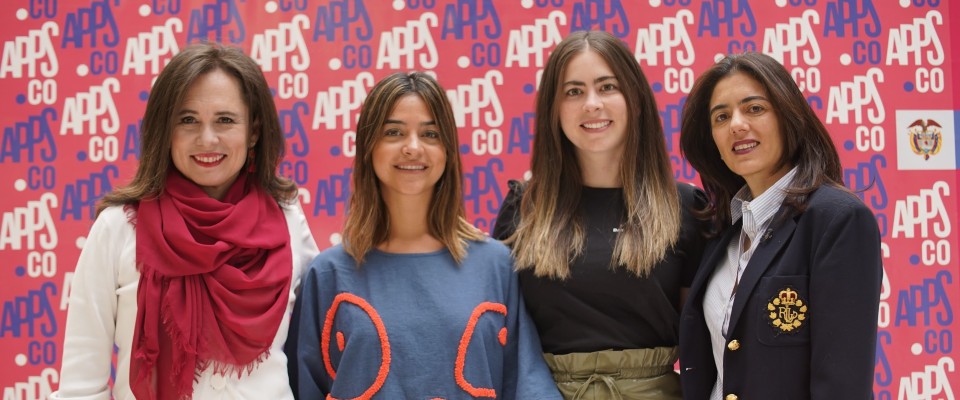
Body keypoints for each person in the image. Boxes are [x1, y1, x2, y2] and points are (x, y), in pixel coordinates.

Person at [51, 43, 320, 400]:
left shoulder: (288, 221)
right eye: (188, 120)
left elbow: (314, 358)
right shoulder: (117, 227)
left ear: (253, 131)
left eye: (225, 120)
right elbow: (80, 386)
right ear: (166, 130)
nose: (207, 139)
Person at [287, 72, 560, 399]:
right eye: (394, 132)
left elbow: (526, 385)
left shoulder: (496, 266)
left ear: (447, 150)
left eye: (430, 133)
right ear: (368, 147)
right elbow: (304, 387)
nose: (412, 147)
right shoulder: (328, 274)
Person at [492, 30, 706, 399]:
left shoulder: (686, 209)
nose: (591, 104)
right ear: (553, 110)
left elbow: (704, 344)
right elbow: (497, 334)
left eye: (607, 87)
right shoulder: (523, 208)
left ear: (634, 99)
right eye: (573, 91)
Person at [678, 52, 882, 399]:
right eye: (721, 117)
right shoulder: (720, 229)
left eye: (754, 108)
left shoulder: (838, 220)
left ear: (789, 115)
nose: (737, 124)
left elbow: (842, 384)